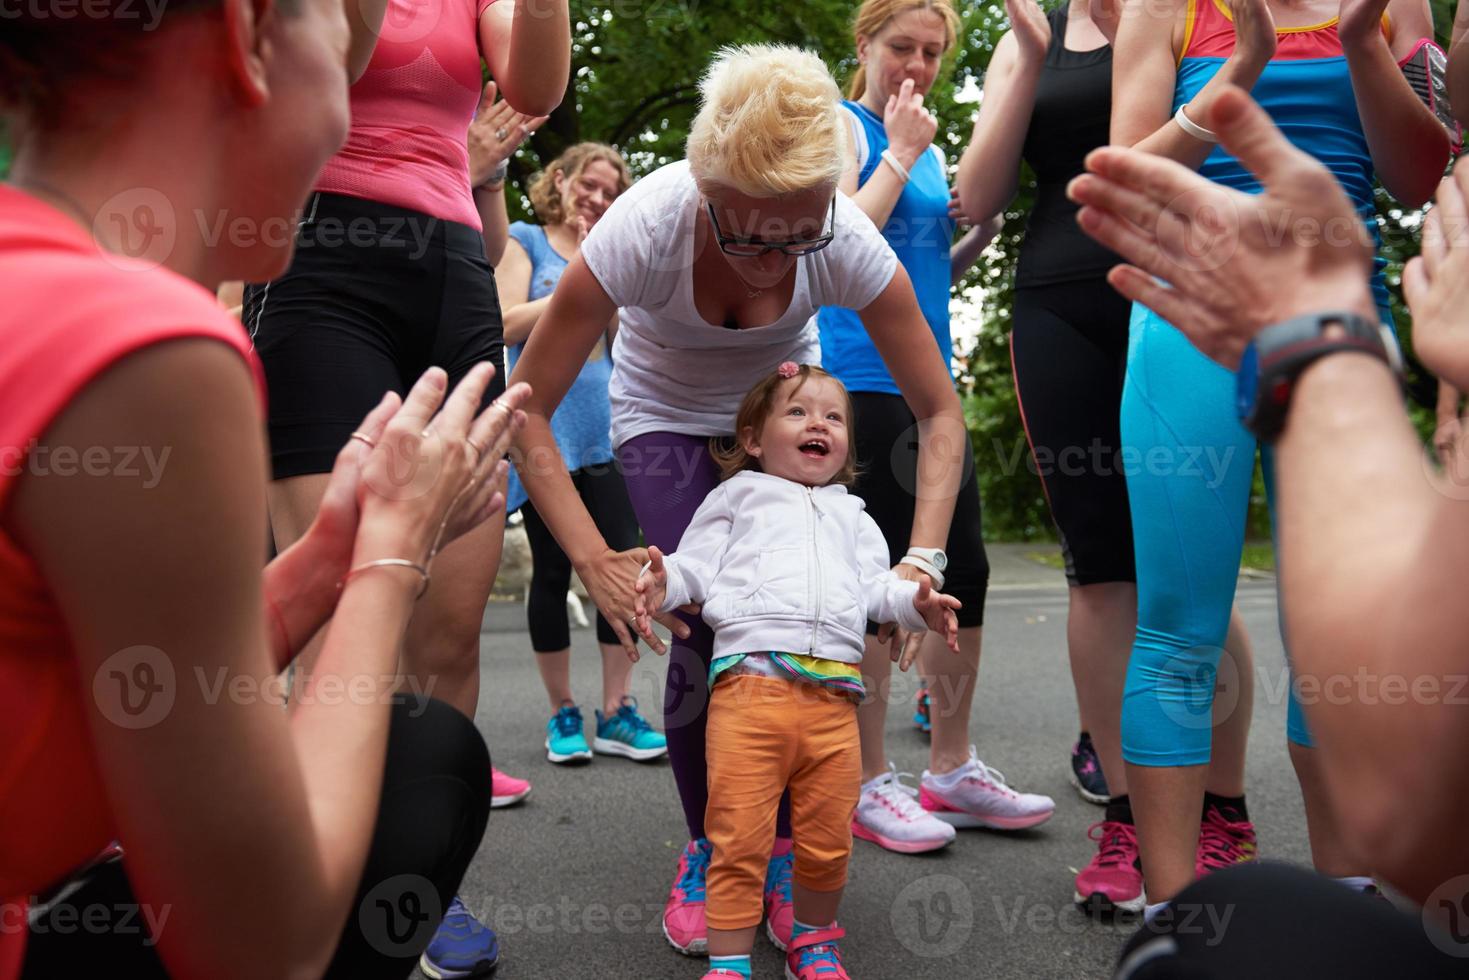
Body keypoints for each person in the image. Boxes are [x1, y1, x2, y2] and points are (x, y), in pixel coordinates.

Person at [0, 1, 533, 977]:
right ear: (248, 37)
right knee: (427, 757)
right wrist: (388, 560)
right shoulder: (142, 351)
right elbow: (260, 946)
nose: (353, 113)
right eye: (346, 48)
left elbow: (118, 675)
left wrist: (326, 555)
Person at [506, 43, 968, 957]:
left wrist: (922, 557)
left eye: (796, 237)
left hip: (776, 407)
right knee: (707, 619)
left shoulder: (841, 233)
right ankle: (714, 847)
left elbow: (939, 412)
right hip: (664, 414)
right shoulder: (643, 227)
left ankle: (787, 850)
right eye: (749, 235)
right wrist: (593, 556)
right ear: (707, 191)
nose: (772, 261)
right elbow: (527, 410)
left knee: (800, 620)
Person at [1069, 82, 1469, 979]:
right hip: (1203, 297)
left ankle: (1347, 898)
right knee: (1179, 620)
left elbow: (1418, 171)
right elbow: (1121, 174)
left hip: (1330, 295)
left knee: (1338, 642)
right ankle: (1177, 907)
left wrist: (1366, 37)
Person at [240, 0, 568, 969]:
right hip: (325, 254)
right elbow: (320, 68)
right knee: (345, 608)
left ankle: (415, 892)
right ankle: (308, 896)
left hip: (453, 269)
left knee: (446, 618)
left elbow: (537, 91)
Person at [955, 0, 1258, 913]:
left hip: (1181, 287)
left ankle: (1222, 812)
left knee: (1188, 571)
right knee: (1099, 565)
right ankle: (1128, 818)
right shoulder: (1038, 35)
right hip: (1061, 300)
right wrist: (1029, 54)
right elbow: (976, 195)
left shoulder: (1188, 14)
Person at [632, 362, 962, 980]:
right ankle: (729, 965)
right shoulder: (735, 498)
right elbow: (694, 567)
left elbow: (877, 593)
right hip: (748, 698)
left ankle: (814, 943)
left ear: (845, 446)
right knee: (736, 842)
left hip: (835, 707)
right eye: (798, 412)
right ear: (754, 439)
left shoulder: (857, 518)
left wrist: (915, 602)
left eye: (834, 417)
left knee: (828, 843)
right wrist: (663, 580)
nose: (819, 424)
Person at [817, 0, 1053, 859]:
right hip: (857, 381)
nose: (914, 64)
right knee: (879, 583)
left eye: (929, 51)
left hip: (930, 388)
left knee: (967, 573)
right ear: (865, 46)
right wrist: (903, 150)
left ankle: (950, 765)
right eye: (899, 47)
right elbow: (835, 243)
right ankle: (868, 778)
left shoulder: (927, 143)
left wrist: (978, 232)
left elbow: (916, 267)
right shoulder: (839, 124)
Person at [496, 143, 665, 765]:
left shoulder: (617, 251)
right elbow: (506, 320)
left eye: (611, 192)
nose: (598, 198)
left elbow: (626, 339)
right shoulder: (525, 238)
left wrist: (611, 279)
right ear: (561, 182)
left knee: (624, 563)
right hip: (544, 429)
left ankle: (616, 711)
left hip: (607, 427)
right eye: (589, 185)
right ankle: (562, 712)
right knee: (553, 570)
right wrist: (583, 281)